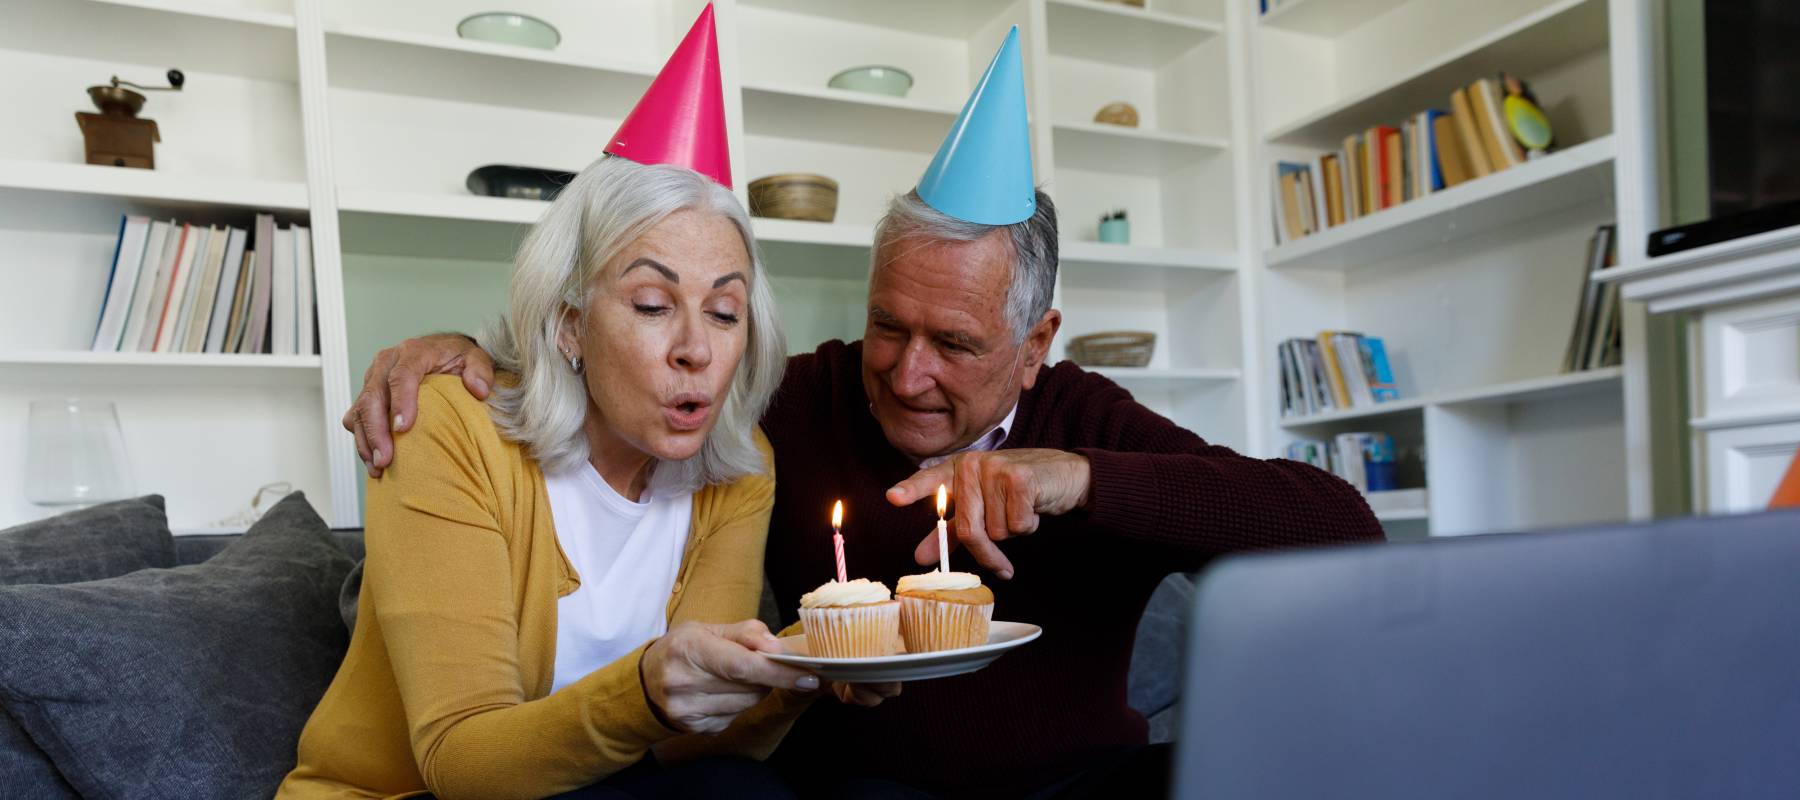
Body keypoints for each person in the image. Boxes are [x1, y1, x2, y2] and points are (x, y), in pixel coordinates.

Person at [345, 28, 1382, 798]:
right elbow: (623, 383)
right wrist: (481, 357)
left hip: (1074, 780)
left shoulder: (1085, 420)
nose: (907, 372)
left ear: (1035, 344)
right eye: (890, 325)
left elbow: (1340, 529)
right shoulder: (781, 406)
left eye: (958, 344)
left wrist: (1082, 479)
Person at [280, 10, 891, 799]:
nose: (696, 350)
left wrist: (797, 676)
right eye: (650, 304)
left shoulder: (739, 469)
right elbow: (458, 762)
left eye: (725, 312)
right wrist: (643, 688)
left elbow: (684, 748)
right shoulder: (450, 430)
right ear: (569, 325)